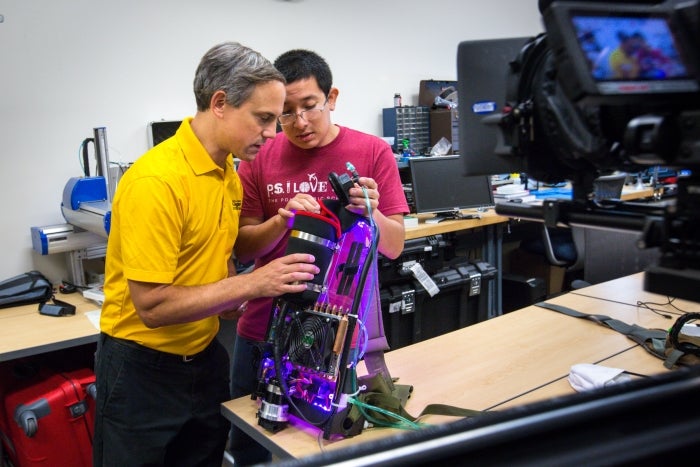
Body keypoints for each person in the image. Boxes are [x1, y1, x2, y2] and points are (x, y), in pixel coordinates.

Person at [93, 42, 320, 467]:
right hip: (142, 371)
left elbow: (226, 253)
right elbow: (153, 306)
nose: (272, 133)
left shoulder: (225, 174)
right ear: (220, 103)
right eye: (264, 118)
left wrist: (277, 229)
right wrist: (254, 282)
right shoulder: (157, 181)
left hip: (204, 357)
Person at [229, 49, 409, 465]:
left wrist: (371, 210)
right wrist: (282, 220)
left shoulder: (371, 152)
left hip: (340, 339)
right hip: (262, 331)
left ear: (332, 97)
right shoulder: (259, 156)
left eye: (309, 106)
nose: (299, 122)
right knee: (251, 447)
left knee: (334, 451)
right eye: (285, 113)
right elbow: (243, 246)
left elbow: (395, 245)